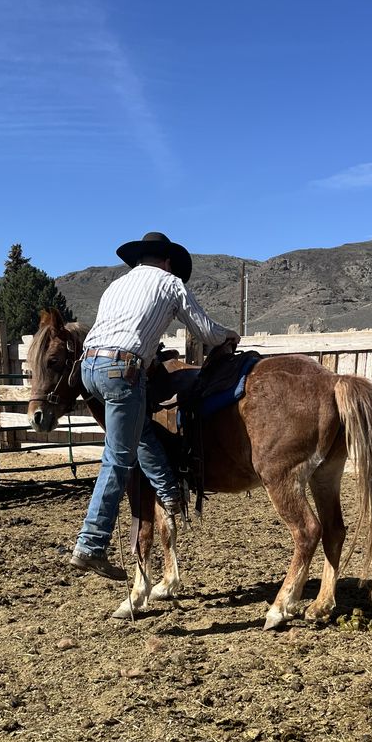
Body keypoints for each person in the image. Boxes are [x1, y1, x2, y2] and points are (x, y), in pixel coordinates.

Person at [70, 231, 238, 580]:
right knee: (117, 458)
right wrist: (230, 335)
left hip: (88, 368)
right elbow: (205, 331)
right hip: (122, 368)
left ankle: (168, 491)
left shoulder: (116, 286)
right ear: (168, 261)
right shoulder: (170, 283)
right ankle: (90, 544)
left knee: (138, 427)